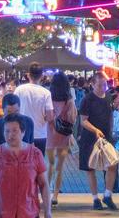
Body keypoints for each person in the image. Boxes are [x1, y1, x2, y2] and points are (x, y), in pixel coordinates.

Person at [0, 114, 51, 218]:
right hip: (2, 214)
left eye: (14, 131)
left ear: (23, 132)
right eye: (7, 131)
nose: (10, 135)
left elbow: (44, 184)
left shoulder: (35, 154)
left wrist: (48, 212)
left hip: (29, 214)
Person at [79, 70, 119, 211]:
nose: (103, 88)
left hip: (106, 138)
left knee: (112, 165)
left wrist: (112, 132)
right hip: (90, 138)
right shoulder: (87, 99)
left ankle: (107, 195)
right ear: (93, 84)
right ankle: (95, 198)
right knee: (90, 168)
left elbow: (110, 117)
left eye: (105, 85)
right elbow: (83, 121)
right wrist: (95, 130)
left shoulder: (108, 98)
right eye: (100, 85)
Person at [46, 72, 77, 206]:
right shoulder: (69, 100)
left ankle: (46, 193)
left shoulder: (48, 97)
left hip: (50, 134)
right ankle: (55, 195)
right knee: (60, 166)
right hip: (64, 135)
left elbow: (46, 116)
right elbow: (72, 119)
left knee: (50, 165)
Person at [14, 64, 55, 155]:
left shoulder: (19, 90)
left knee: (22, 163)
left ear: (28, 75)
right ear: (41, 76)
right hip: (40, 134)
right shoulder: (46, 93)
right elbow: (50, 117)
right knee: (38, 165)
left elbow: (14, 111)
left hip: (22, 133)